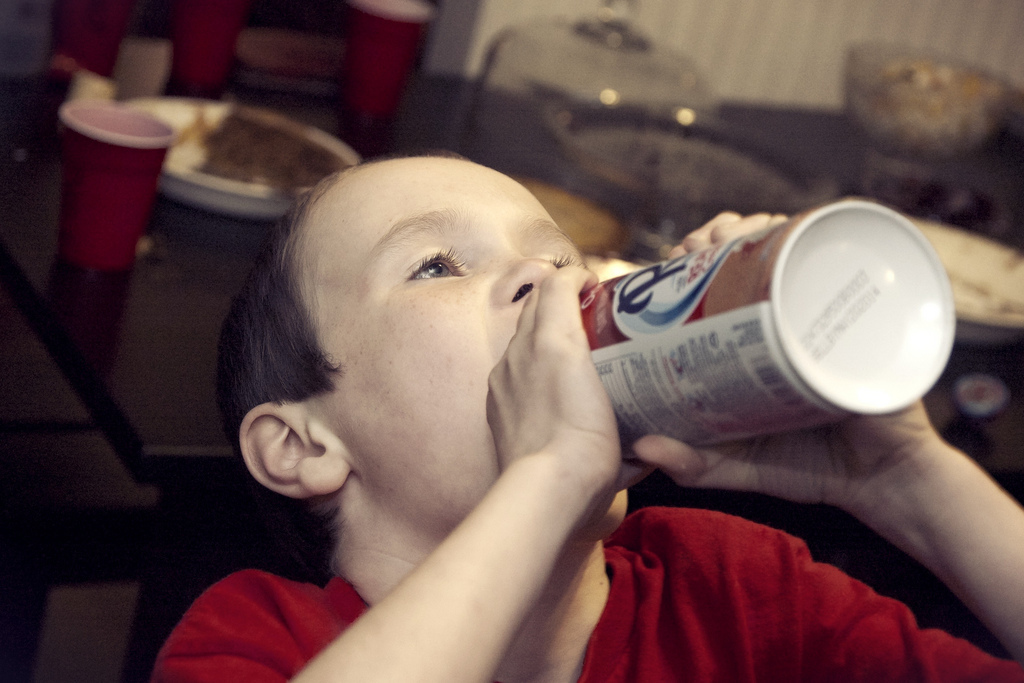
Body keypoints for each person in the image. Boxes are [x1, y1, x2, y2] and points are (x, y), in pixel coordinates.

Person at [151, 154, 1024, 682]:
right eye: (435, 264)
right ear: (303, 443)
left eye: (558, 255)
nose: (546, 278)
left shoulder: (733, 592)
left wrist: (910, 478)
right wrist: (548, 473)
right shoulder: (256, 640)